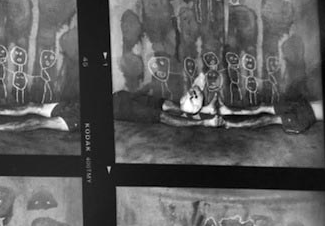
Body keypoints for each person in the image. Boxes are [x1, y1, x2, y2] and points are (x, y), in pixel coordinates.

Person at [113, 85, 322, 133]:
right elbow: (163, 116)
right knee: (266, 111)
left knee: (163, 104)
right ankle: (221, 119)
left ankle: (221, 117)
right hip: (118, 105)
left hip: (119, 98)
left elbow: (164, 105)